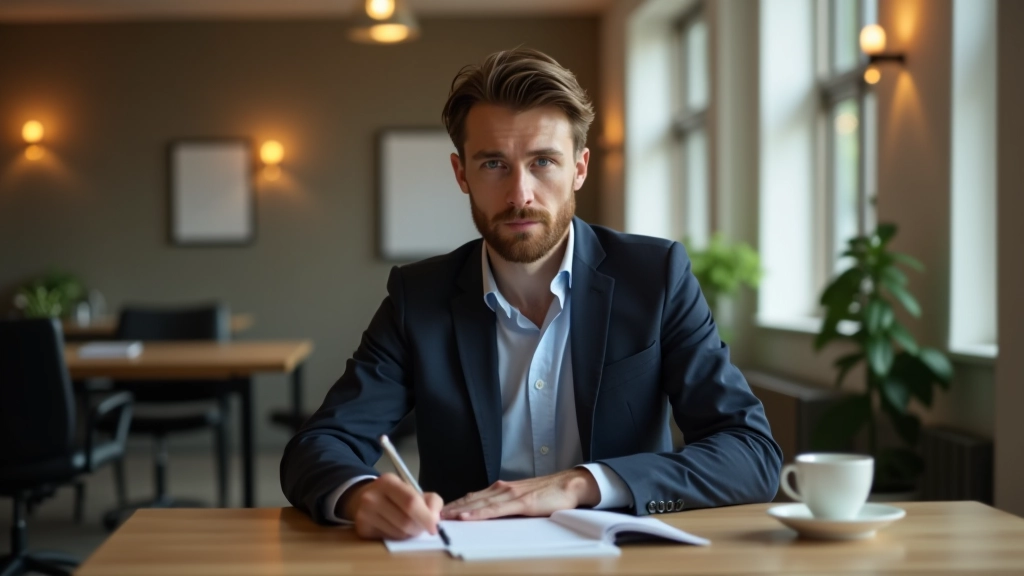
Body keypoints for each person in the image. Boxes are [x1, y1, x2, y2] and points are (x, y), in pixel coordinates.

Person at [280, 47, 782, 541]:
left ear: (579, 169)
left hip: (624, 561)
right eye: (494, 164)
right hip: (465, 559)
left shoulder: (656, 277)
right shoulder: (420, 297)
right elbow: (319, 444)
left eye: (543, 161)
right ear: (462, 175)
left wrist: (582, 482)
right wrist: (361, 496)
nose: (520, 193)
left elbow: (750, 451)